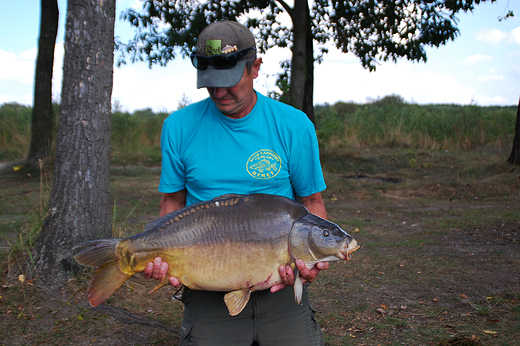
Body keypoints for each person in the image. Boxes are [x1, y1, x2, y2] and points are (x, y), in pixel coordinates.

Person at [144, 20, 330, 346]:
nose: (219, 92)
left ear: (255, 67)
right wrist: (158, 249)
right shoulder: (178, 127)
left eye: (229, 81)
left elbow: (312, 202)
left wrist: (313, 261)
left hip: (281, 287)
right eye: (210, 82)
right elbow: (172, 201)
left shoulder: (294, 126)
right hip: (208, 286)